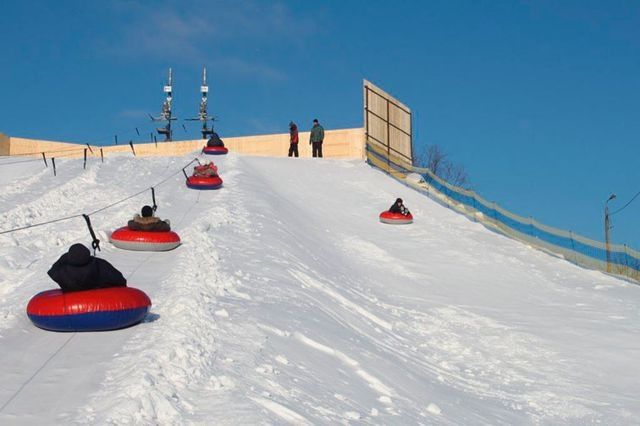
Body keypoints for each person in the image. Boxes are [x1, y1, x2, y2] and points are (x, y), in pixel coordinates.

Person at [47, 243, 127, 292]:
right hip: (97, 296)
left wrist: (65, 257)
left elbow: (52, 271)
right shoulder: (98, 264)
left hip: (71, 295)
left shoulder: (62, 270)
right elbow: (120, 280)